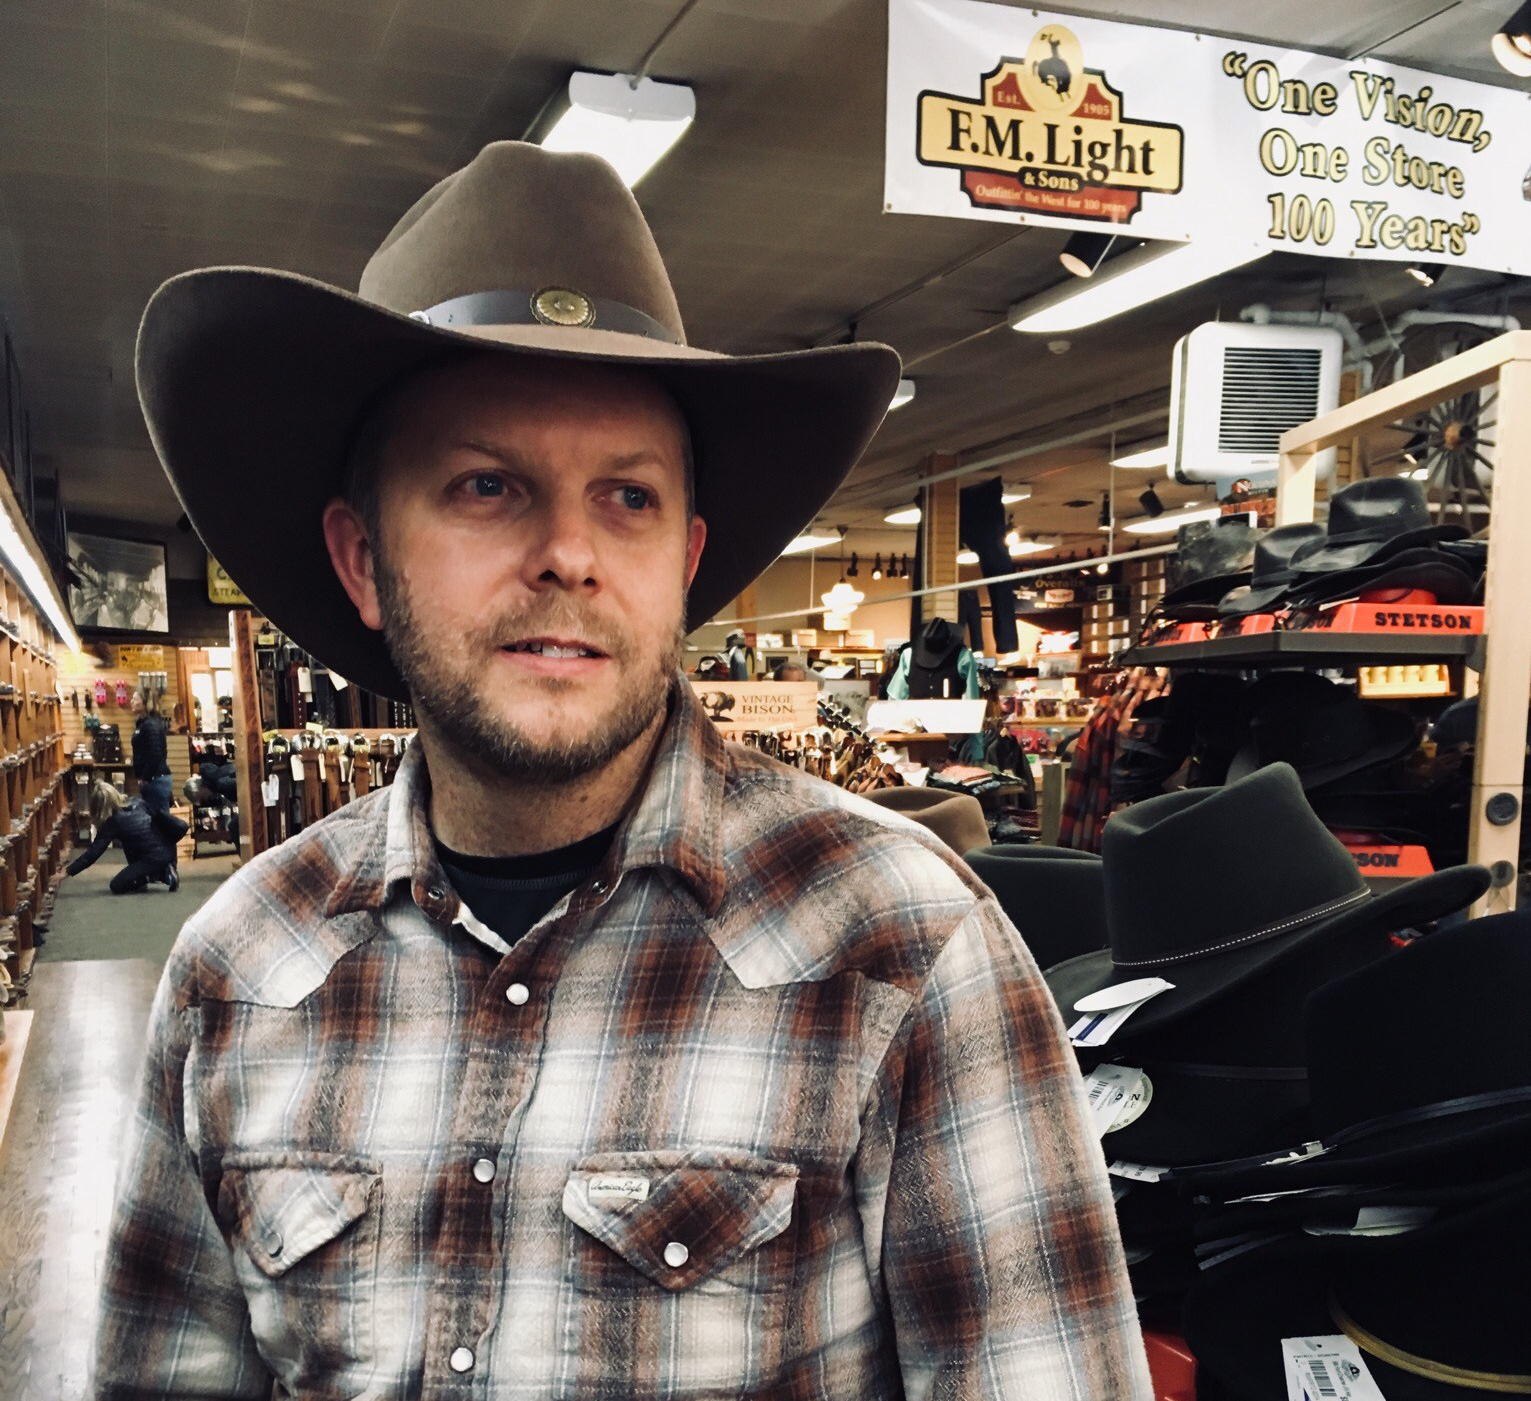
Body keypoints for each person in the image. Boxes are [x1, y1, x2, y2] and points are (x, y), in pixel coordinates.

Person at [97, 143, 1150, 1397]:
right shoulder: (238, 969)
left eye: (628, 499)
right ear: (364, 560)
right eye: (487, 485)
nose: (569, 553)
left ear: (685, 564)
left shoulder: (899, 946)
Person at [67, 780, 185, 895]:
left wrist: (68, 871)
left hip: (153, 858)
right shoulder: (137, 801)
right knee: (131, 841)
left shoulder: (113, 822)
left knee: (117, 885)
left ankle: (161, 874)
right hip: (168, 848)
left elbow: (93, 853)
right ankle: (151, 873)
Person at [129, 689, 174, 817]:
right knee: (156, 820)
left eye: (135, 699)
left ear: (145, 703)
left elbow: (156, 754)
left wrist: (145, 777)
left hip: (156, 780)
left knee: (161, 822)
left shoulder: (151, 724)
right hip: (153, 780)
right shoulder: (144, 724)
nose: (131, 701)